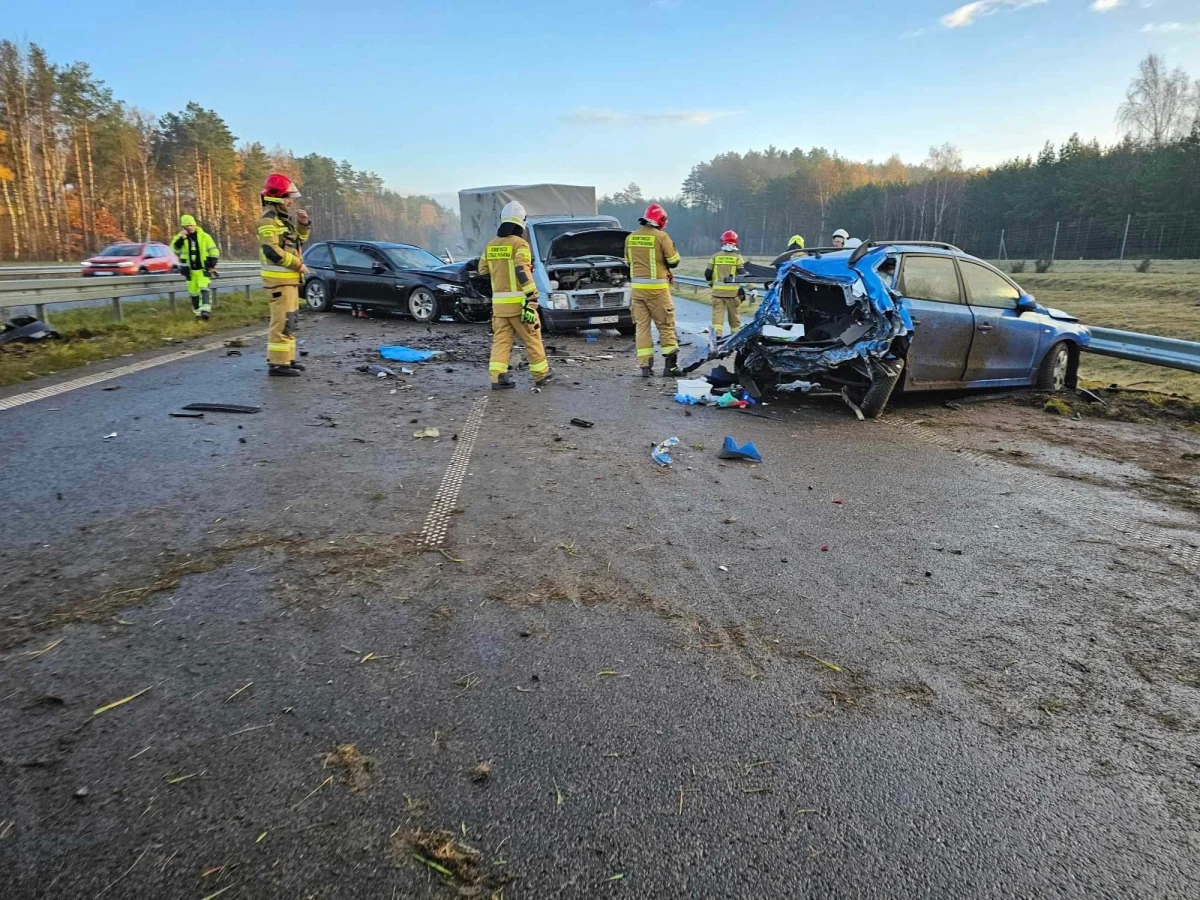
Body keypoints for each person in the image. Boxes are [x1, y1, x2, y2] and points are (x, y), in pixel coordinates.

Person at [477, 201, 552, 390]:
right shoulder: (520, 244)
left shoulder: (491, 245)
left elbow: (482, 270)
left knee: (501, 341)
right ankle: (541, 375)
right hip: (520, 305)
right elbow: (521, 270)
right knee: (532, 338)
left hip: (500, 307)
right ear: (522, 222)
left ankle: (498, 377)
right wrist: (532, 295)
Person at [257, 173, 310, 377]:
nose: (291, 202)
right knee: (281, 323)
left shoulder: (282, 220)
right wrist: (298, 265)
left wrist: (303, 225)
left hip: (289, 281)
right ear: (277, 197)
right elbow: (271, 251)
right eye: (288, 197)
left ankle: (287, 359)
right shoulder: (268, 220)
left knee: (290, 321)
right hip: (279, 281)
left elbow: (296, 243)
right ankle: (278, 364)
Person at [624, 202, 682, 376]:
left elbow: (628, 262)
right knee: (665, 325)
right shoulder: (661, 237)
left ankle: (645, 367)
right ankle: (670, 367)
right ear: (661, 220)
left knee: (642, 327)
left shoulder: (630, 237)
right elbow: (674, 261)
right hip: (658, 291)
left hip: (637, 291)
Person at [171, 215, 220, 320]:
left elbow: (214, 250)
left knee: (204, 289)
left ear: (195, 225)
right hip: (189, 271)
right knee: (194, 293)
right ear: (183, 227)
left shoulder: (204, 236)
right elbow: (174, 249)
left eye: (191, 225)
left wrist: (212, 263)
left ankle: (205, 311)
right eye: (187, 226)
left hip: (203, 269)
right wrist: (181, 239)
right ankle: (198, 313)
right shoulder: (180, 237)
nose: (190, 227)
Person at [705, 230, 746, 338]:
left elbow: (707, 273)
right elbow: (743, 274)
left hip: (717, 293)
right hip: (733, 294)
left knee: (717, 316)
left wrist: (711, 284)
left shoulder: (715, 257)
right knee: (734, 317)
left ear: (722, 241)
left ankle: (717, 335)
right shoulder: (737, 257)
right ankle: (735, 337)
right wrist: (752, 288)